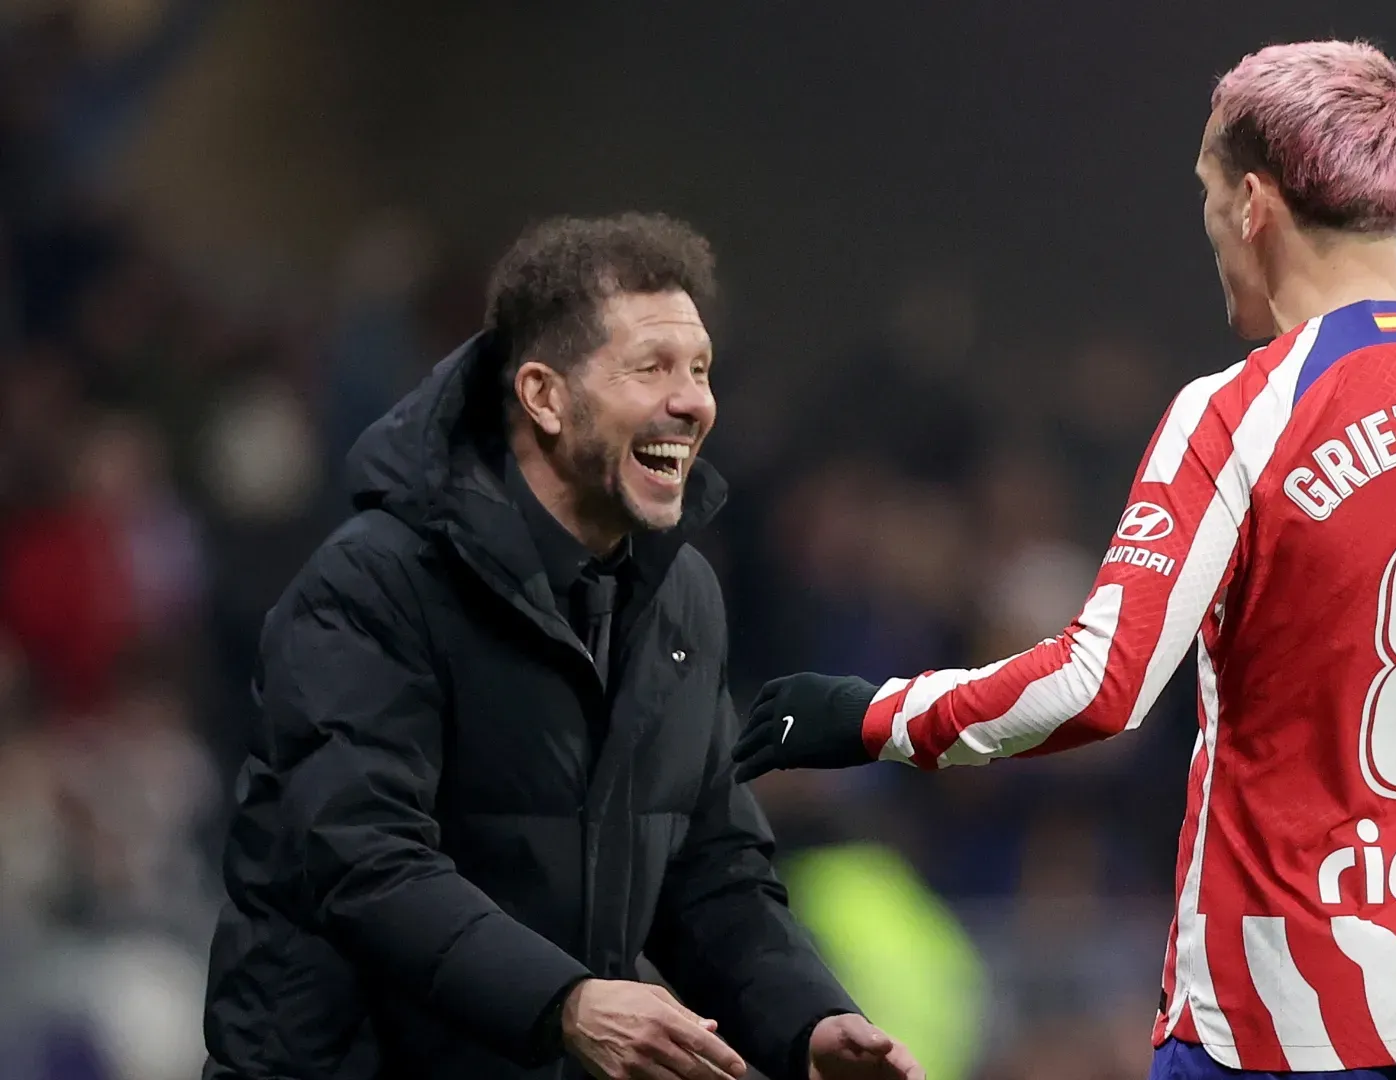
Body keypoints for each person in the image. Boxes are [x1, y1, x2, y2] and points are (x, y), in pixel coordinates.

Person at [732, 40, 1396, 1079]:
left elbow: (1099, 687)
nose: (1209, 223)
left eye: (1207, 193)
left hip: (1269, 1027)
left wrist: (868, 715)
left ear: (1252, 203)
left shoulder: (1242, 413)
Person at [201, 213, 924, 1080]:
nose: (693, 401)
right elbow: (365, 863)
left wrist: (807, 1020)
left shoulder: (683, 598)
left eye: (699, 369)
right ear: (543, 396)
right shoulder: (374, 583)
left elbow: (710, 869)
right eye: (651, 368)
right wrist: (566, 1003)